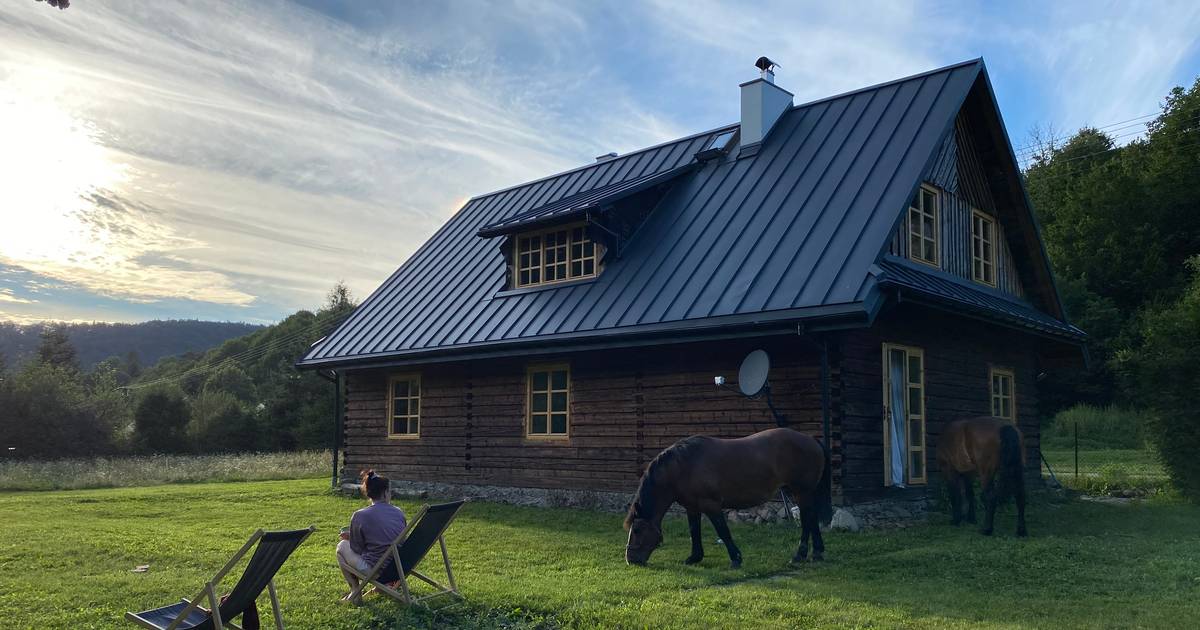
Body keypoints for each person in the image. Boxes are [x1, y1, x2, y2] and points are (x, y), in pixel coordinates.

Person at [336, 470, 408, 601]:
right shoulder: (399, 512)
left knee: (341, 547)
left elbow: (357, 549)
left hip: (376, 571)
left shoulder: (360, 515)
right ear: (386, 492)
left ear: (368, 493)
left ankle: (355, 591)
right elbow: (400, 539)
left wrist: (351, 538)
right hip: (398, 568)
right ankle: (382, 588)